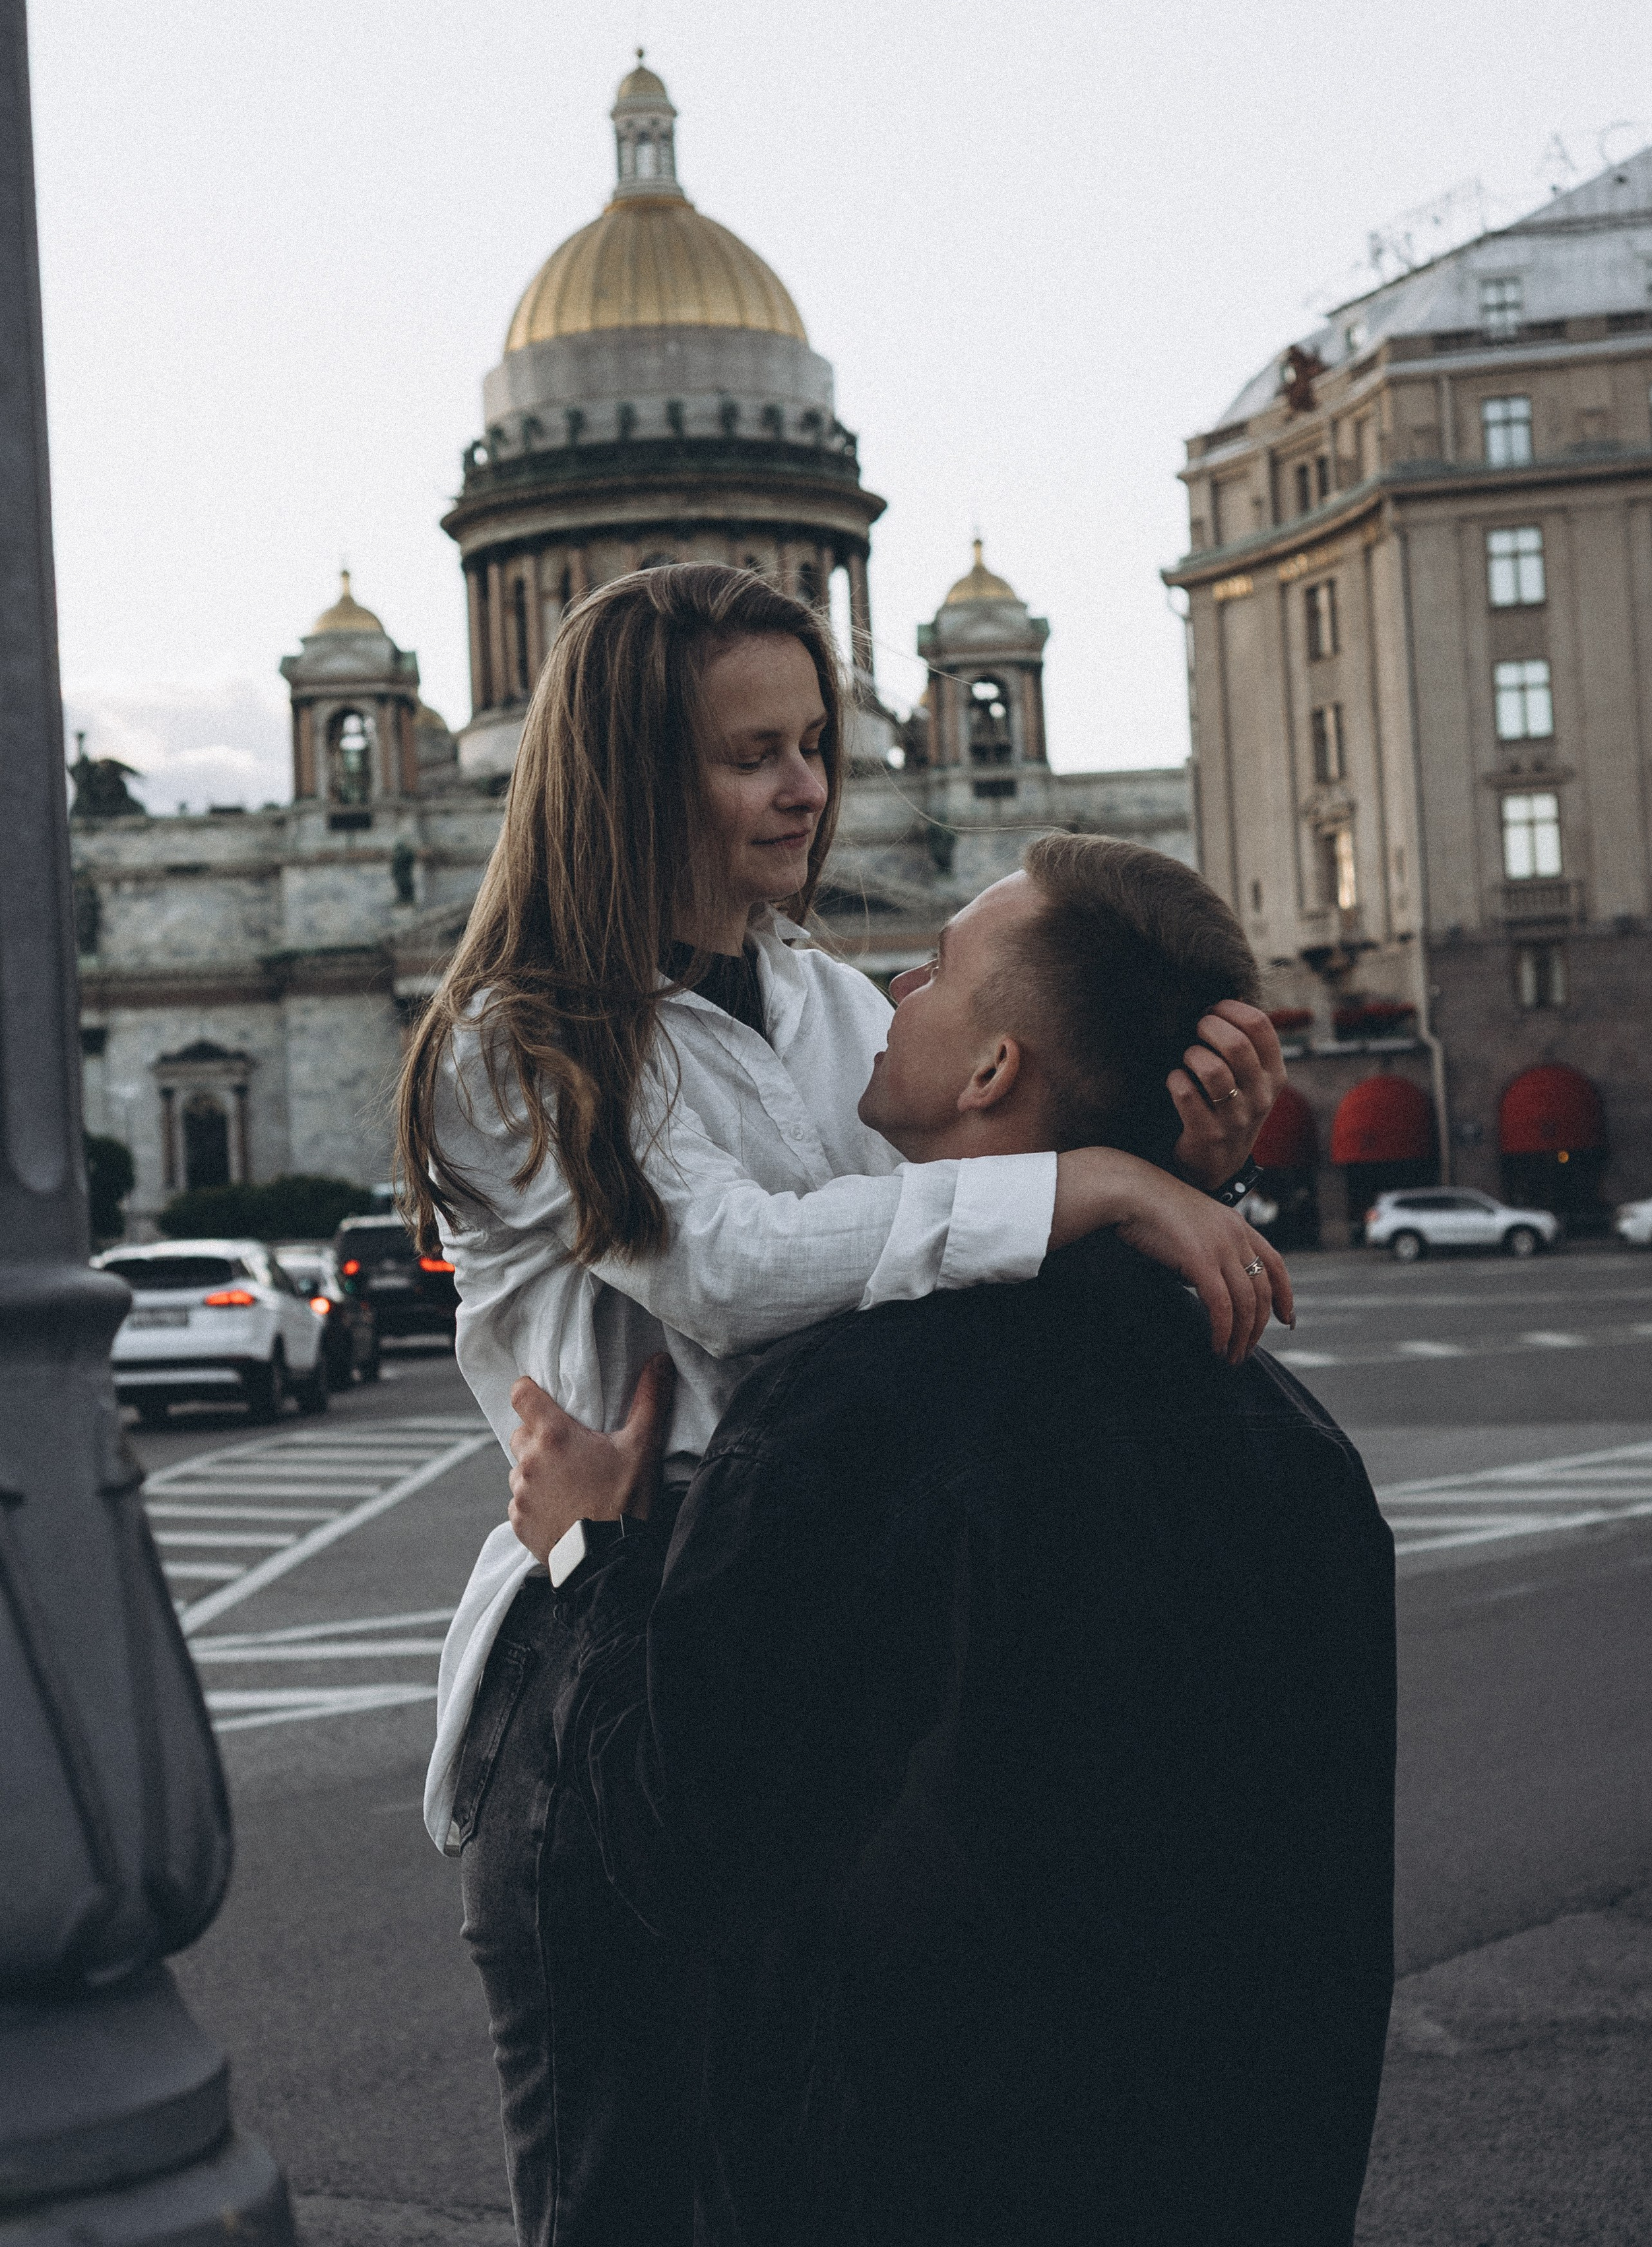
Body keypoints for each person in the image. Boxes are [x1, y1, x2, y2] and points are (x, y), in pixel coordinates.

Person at [395, 563, 1292, 2244]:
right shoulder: (519, 1039)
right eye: (750, 756)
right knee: (623, 2201)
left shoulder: (825, 1003)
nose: (806, 787)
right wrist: (1098, 1185)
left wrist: (1169, 1159)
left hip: (797, 1637)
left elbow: (951, 1265)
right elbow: (734, 1272)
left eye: (813, 742)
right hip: (600, 1639)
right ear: (627, 778)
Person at [505, 835, 1397, 2247]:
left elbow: (673, 1852)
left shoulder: (844, 1423)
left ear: (991, 1071)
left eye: (930, 969)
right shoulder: (1293, 1447)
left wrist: (589, 1554)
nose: (890, 990)